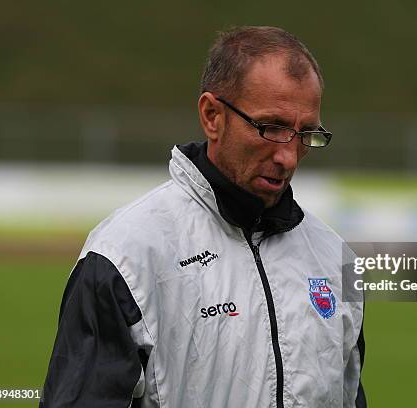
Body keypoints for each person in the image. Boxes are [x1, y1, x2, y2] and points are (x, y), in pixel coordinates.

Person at [40, 26, 366, 408]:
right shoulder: (125, 255)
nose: (288, 157)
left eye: (306, 133)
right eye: (271, 128)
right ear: (212, 116)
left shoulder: (334, 257)